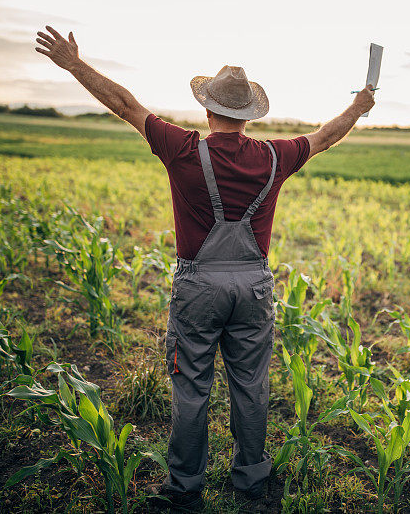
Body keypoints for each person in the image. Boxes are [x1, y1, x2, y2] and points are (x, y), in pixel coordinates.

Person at [35, 25, 376, 511]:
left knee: (192, 389)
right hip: (253, 288)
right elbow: (324, 137)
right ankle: (253, 487)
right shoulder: (275, 155)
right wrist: (360, 107)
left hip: (198, 287)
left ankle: (185, 491)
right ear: (248, 115)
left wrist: (74, 64)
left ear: (208, 108)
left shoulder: (181, 148)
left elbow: (126, 105)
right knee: (251, 389)